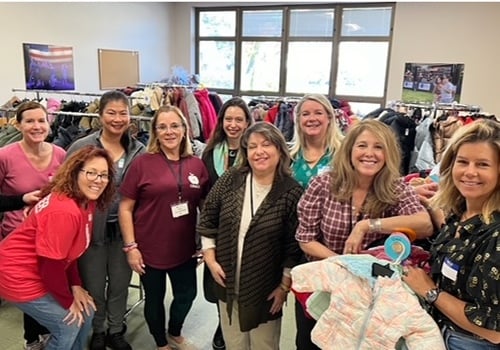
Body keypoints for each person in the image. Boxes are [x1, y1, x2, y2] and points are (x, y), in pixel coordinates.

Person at [294, 119, 434, 348]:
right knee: (313, 343)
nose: (370, 153)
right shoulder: (323, 184)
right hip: (323, 283)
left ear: (388, 153)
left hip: (367, 296)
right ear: (349, 150)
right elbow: (305, 239)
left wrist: (367, 225)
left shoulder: (396, 188)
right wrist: (345, 265)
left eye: (378, 147)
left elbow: (424, 224)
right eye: (362, 145)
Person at [198, 122, 304, 350]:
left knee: (263, 345)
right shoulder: (231, 179)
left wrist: (284, 287)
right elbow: (208, 216)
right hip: (227, 282)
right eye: (252, 146)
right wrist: (209, 257)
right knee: (234, 343)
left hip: (265, 289)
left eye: (266, 145)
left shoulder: (291, 191)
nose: (259, 151)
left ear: (279, 150)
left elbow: (293, 247)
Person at [0, 145, 116, 350]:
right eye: (91, 173)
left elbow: (67, 253)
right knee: (68, 323)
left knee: (87, 311)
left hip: (38, 270)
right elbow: (51, 265)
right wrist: (67, 300)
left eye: (104, 175)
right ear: (75, 172)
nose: (98, 180)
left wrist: (76, 285)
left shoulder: (84, 201)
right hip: (17, 274)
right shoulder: (65, 210)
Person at [403, 119, 500, 349]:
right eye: (463, 162)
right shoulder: (460, 213)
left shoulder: (495, 235)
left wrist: (430, 292)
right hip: (441, 332)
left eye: (483, 164)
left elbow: (495, 331)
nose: (470, 172)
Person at [119, 105, 209, 350]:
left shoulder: (196, 165)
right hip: (149, 249)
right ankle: (160, 343)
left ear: (184, 129)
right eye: (162, 127)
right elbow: (125, 208)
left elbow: (205, 207)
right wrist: (131, 247)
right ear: (155, 132)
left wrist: (207, 244)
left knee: (187, 294)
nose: (169, 131)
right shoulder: (142, 164)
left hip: (185, 249)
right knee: (154, 299)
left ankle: (174, 331)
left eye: (175, 125)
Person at [66, 90, 145, 350]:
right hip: (90, 232)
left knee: (121, 285)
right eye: (111, 112)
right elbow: (65, 184)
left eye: (123, 113)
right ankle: (98, 330)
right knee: (94, 286)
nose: (117, 118)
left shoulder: (139, 151)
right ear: (100, 116)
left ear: (130, 116)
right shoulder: (82, 147)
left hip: (125, 232)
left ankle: (115, 329)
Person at [0, 100, 66, 350]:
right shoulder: (5, 156)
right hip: (17, 237)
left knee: (48, 287)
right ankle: (32, 340)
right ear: (18, 124)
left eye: (41, 120)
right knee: (31, 291)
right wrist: (21, 199)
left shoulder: (59, 153)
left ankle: (50, 334)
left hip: (51, 236)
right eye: (29, 121)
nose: (36, 126)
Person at [289, 93, 344, 350]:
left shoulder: (344, 154)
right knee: (308, 320)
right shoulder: (290, 155)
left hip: (336, 247)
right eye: (305, 114)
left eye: (318, 112)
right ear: (298, 120)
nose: (312, 118)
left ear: (329, 117)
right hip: (300, 247)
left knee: (340, 321)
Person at [200, 96, 252, 350]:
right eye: (228, 119)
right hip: (217, 231)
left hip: (246, 229)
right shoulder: (210, 152)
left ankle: (236, 325)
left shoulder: (256, 152)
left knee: (243, 280)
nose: (233, 125)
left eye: (238, 120)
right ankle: (223, 323)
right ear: (221, 122)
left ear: (247, 123)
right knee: (218, 282)